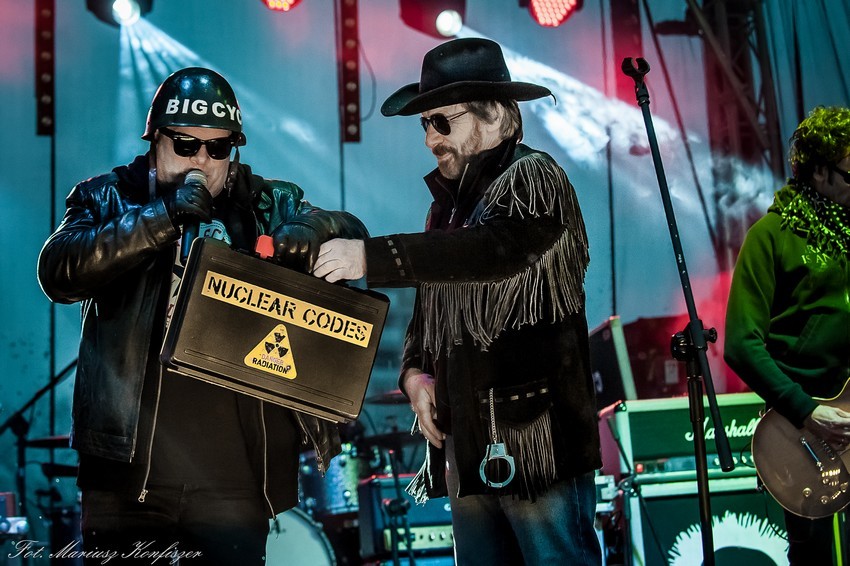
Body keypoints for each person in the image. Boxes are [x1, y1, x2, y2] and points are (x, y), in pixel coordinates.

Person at [37, 67, 368, 564]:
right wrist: (163, 217)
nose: (202, 160)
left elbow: (352, 230)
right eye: (186, 144)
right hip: (128, 473)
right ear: (155, 140)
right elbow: (58, 270)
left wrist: (312, 227)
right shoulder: (109, 196)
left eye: (218, 148)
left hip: (234, 477)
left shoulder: (267, 201)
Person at [313, 38, 602, 565]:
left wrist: (370, 256)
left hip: (536, 443)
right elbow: (429, 313)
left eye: (442, 122)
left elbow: (492, 251)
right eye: (426, 124)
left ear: (495, 117)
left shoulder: (535, 177)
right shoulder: (446, 210)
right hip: (468, 446)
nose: (430, 139)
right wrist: (414, 374)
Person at [724, 105, 850, 565]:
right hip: (807, 432)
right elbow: (741, 344)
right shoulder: (771, 236)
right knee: (816, 556)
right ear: (819, 172)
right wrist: (806, 410)